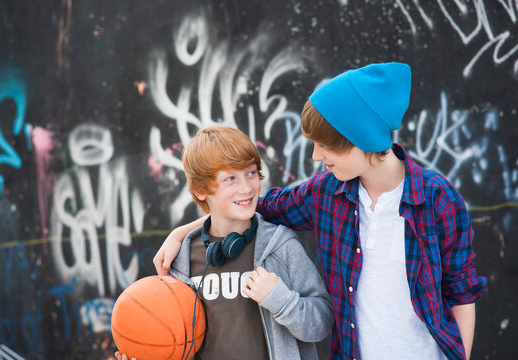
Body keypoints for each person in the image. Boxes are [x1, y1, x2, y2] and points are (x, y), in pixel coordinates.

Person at [153, 63, 487, 360]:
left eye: (323, 145)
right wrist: (182, 232)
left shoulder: (437, 198)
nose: (315, 156)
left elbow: (461, 293)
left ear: (358, 138)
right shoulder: (325, 193)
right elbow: (253, 208)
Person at [116, 126, 333, 360]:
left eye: (251, 173)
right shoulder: (182, 260)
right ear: (200, 190)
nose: (247, 188)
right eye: (231, 178)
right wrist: (150, 352)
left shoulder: (280, 245)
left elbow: (322, 324)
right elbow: (177, 341)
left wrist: (281, 300)